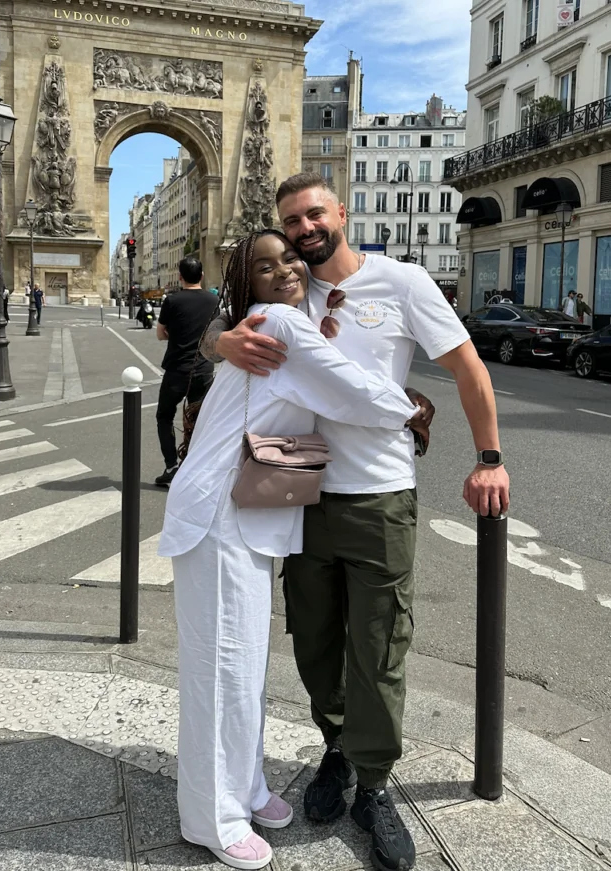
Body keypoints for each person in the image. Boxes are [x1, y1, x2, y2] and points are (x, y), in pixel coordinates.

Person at [203, 173, 510, 871]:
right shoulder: (289, 284)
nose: (305, 229)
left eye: (314, 214)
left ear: (342, 211)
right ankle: (335, 747)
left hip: (377, 491)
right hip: (297, 477)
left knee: (378, 643)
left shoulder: (402, 282)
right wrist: (220, 345)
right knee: (312, 636)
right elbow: (219, 321)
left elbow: (466, 367)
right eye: (292, 221)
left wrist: (489, 456)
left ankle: (373, 782)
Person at [158, 230, 423, 871]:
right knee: (221, 672)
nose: (285, 271)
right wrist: (407, 408)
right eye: (265, 265)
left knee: (244, 666)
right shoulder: (277, 320)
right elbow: (346, 386)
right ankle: (213, 819)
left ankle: (245, 788)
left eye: (290, 260)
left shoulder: (284, 321)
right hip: (219, 516)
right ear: (245, 282)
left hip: (244, 516)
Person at [154, 256, 220, 487]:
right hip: (203, 369)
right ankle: (193, 467)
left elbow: (161, 333)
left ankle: (171, 467)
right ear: (201, 276)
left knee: (164, 416)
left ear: (180, 276)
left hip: (177, 368)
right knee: (198, 420)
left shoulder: (172, 301)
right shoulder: (214, 300)